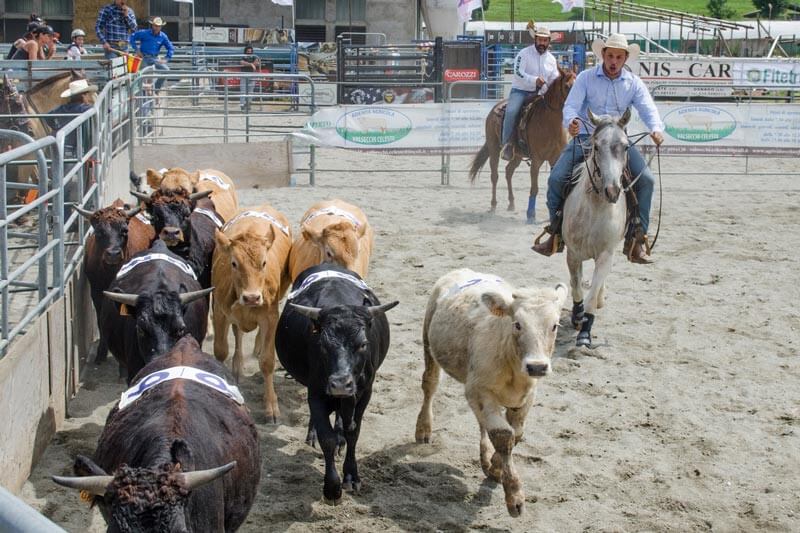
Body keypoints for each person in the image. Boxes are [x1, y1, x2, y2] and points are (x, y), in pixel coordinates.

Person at [532, 33, 665, 264]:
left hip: (617, 141)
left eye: (619, 57)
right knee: (556, 178)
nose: (614, 61)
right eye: (610, 56)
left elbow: (647, 108)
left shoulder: (633, 83)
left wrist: (655, 128)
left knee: (646, 181)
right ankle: (556, 232)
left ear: (625, 59)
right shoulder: (586, 78)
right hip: (587, 137)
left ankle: (637, 238)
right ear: (603, 55)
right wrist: (572, 121)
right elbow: (571, 106)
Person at [500, 24, 560, 161]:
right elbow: (518, 72)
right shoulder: (524, 54)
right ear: (535, 39)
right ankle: (507, 144)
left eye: (545, 40)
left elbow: (554, 79)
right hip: (521, 91)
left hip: (540, 93)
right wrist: (534, 80)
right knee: (511, 111)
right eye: (540, 40)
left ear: (548, 42)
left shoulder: (552, 60)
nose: (542, 43)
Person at [45, 79, 98, 156]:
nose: (89, 97)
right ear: (83, 96)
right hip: (78, 148)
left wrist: (56, 127)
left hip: (61, 144)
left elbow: (48, 117)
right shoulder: (85, 109)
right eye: (87, 94)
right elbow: (99, 110)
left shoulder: (62, 108)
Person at [129, 17, 174, 92]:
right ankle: (142, 94)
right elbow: (132, 37)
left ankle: (155, 90)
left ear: (161, 27)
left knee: (166, 70)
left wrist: (167, 58)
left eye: (158, 26)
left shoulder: (163, 36)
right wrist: (136, 50)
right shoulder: (144, 33)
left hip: (154, 58)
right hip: (144, 57)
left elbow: (171, 48)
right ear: (152, 25)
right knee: (142, 76)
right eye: (155, 26)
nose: (157, 28)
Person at [239, 45, 261, 110]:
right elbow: (242, 62)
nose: (249, 52)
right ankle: (242, 104)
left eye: (250, 51)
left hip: (252, 75)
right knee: (243, 90)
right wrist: (251, 64)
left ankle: (248, 104)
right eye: (248, 51)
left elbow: (257, 62)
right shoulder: (243, 56)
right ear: (245, 51)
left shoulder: (254, 56)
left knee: (250, 91)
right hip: (244, 75)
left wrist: (249, 64)